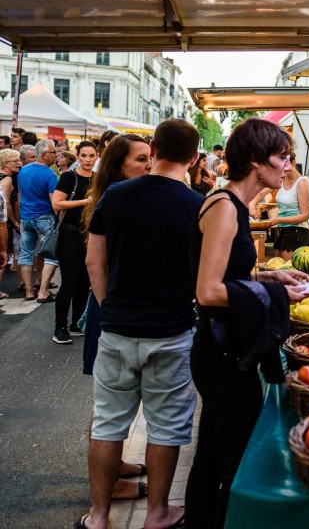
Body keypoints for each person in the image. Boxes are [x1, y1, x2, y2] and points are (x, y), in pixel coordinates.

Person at [186, 118, 309, 528]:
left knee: (211, 452)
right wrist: (273, 295)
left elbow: (226, 276)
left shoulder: (231, 205)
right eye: (282, 156)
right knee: (234, 461)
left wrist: (269, 277)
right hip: (222, 354)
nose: (288, 166)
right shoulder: (225, 208)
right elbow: (207, 290)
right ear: (258, 162)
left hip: (222, 349)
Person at [80, 120, 202, 529]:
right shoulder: (196, 204)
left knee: (108, 422)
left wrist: (108, 306)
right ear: (195, 158)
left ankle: (98, 516)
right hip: (171, 330)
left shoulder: (114, 195)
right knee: (166, 427)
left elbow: (93, 260)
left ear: (153, 148)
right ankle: (157, 514)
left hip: (116, 328)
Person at [79, 134, 153, 503]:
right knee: (108, 405)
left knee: (113, 402)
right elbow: (96, 263)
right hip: (109, 312)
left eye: (150, 158)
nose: (149, 165)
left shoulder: (120, 195)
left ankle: (118, 464)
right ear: (119, 164)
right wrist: (109, 310)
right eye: (141, 159)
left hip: (111, 310)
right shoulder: (113, 197)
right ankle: (110, 486)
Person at [51, 141, 96, 345]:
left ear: (96, 157)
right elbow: (57, 203)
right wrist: (86, 202)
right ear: (77, 156)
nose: (87, 160)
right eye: (84, 155)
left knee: (84, 282)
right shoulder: (70, 176)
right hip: (69, 234)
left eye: (91, 156)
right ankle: (60, 327)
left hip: (90, 235)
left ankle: (76, 324)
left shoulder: (98, 178)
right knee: (69, 281)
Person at [17, 139, 59, 304]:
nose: (56, 155)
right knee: (50, 254)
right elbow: (54, 202)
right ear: (44, 155)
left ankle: (29, 291)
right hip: (44, 217)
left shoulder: (24, 170)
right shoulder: (50, 174)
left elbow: (20, 195)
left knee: (26, 254)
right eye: (53, 152)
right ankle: (43, 291)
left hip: (26, 217)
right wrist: (58, 219)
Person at [251, 152, 309, 259]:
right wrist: (252, 205)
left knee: (287, 270)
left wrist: (279, 220)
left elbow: (305, 215)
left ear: (293, 163)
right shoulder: (281, 179)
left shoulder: (301, 183)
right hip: (282, 230)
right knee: (278, 267)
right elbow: (260, 192)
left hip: (297, 232)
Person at [0, 148, 22, 299]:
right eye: (16, 161)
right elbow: (6, 203)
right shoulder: (7, 179)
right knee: (3, 256)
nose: (19, 164)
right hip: (4, 221)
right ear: (5, 163)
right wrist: (14, 222)